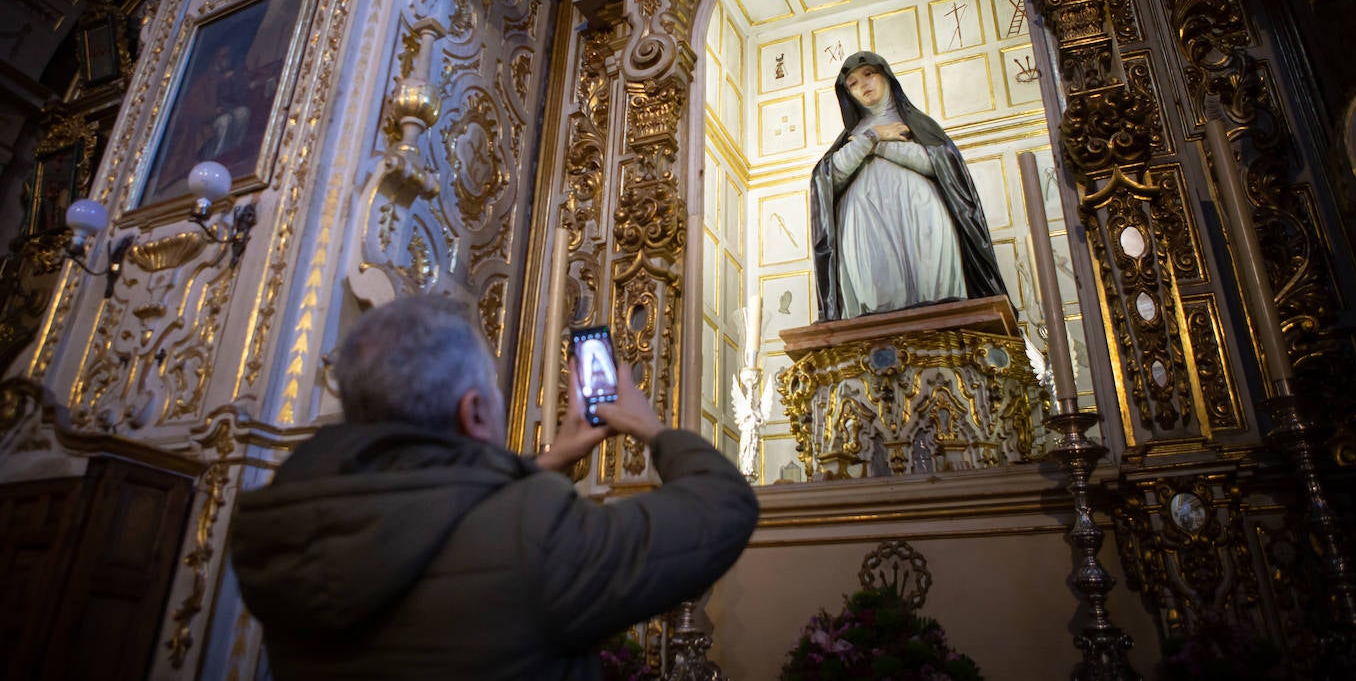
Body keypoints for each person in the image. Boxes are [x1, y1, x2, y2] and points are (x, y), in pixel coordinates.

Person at [229, 295, 759, 680]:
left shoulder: (288, 521)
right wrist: (651, 427)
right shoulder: (534, 536)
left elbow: (435, 516)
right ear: (475, 411)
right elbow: (724, 506)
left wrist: (553, 457)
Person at [810, 50, 1009, 320]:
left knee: (932, 304)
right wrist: (874, 135)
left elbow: (937, 166)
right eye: (853, 83)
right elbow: (829, 178)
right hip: (866, 233)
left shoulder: (917, 124)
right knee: (878, 311)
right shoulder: (850, 138)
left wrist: (875, 145)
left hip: (921, 223)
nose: (863, 85)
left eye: (869, 74)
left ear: (886, 75)